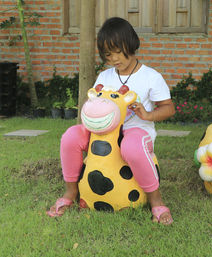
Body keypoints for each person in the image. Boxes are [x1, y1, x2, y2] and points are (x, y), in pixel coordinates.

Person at [47, 17, 175, 225]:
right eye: (108, 54)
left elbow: (169, 109)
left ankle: (156, 201)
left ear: (130, 43)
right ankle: (70, 193)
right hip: (102, 133)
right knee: (70, 136)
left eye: (117, 51)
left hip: (136, 132)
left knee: (131, 148)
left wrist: (148, 115)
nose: (114, 58)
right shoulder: (104, 77)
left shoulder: (151, 77)